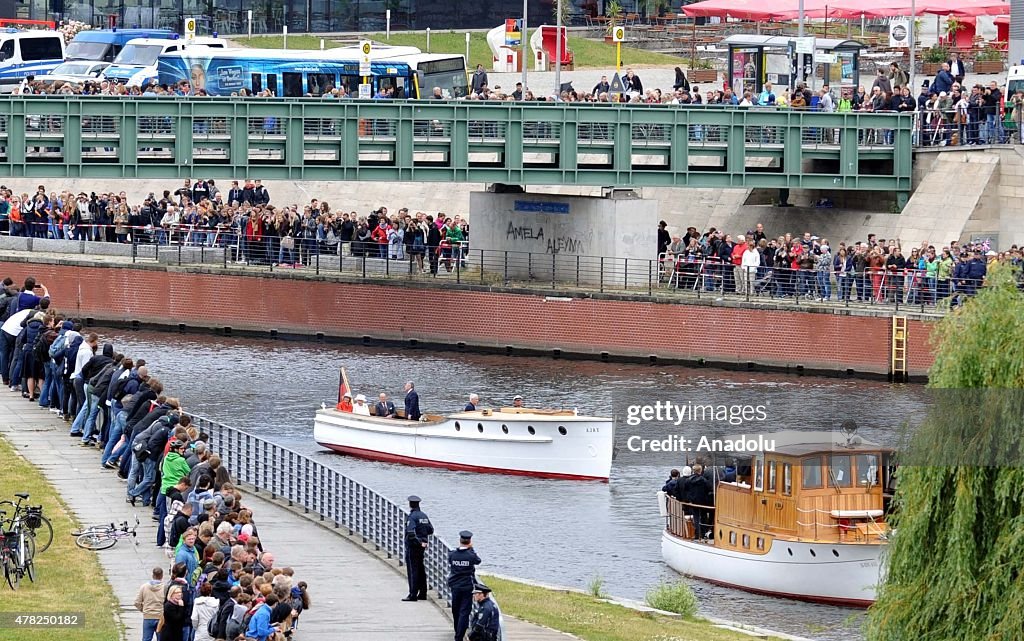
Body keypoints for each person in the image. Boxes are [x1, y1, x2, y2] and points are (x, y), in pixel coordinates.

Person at [448, 530, 482, 641]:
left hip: (455, 585)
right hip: (467, 585)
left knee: (455, 608)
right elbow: (478, 561)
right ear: (470, 541)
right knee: (464, 611)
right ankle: (459, 635)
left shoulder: (453, 554)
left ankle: (457, 629)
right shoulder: (470, 555)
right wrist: (471, 549)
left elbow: (450, 561)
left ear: (460, 540)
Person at [403, 495, 433, 601]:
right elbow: (430, 530)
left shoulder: (412, 517)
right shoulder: (423, 516)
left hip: (414, 547)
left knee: (413, 570)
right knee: (421, 569)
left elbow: (410, 532)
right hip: (422, 546)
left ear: (410, 504)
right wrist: (423, 538)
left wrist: (418, 542)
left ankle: (413, 594)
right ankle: (423, 593)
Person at [134, 567, 164, 641]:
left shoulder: (144, 587)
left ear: (153, 575)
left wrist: (143, 609)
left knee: (146, 639)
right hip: (160, 617)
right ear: (162, 576)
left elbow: (137, 602)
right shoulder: (165, 588)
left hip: (148, 616)